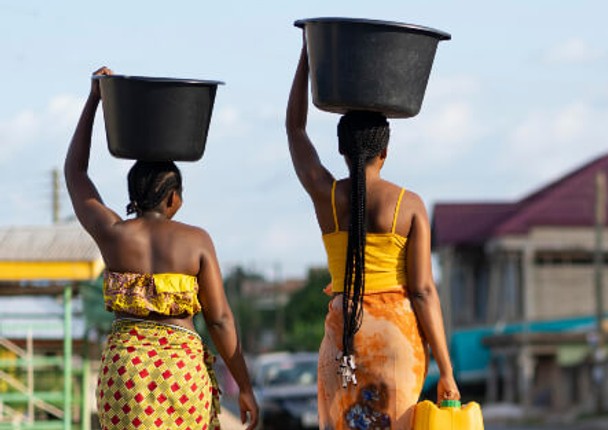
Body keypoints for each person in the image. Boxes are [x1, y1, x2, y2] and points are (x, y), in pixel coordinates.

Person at [65, 67, 259, 430]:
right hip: (181, 375)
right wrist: (245, 387)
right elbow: (219, 320)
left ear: (133, 196)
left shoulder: (114, 234)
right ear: (173, 198)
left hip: (126, 375)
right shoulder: (197, 241)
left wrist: (94, 99)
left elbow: (75, 173)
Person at [286, 42, 460, 429]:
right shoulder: (408, 205)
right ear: (386, 150)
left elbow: (295, 129)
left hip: (343, 338)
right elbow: (423, 291)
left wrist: (308, 54)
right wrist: (446, 370)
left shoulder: (326, 196)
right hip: (396, 339)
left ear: (340, 149)